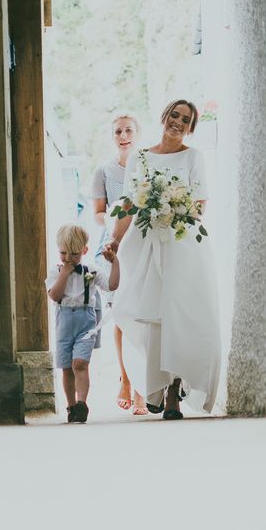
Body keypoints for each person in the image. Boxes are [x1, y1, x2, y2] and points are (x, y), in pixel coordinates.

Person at [109, 100, 220, 420]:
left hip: (184, 245)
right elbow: (129, 204)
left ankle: (174, 392)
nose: (178, 122)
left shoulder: (193, 157)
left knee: (179, 315)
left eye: (186, 120)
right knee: (152, 316)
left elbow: (199, 206)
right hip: (147, 245)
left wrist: (173, 208)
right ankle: (155, 385)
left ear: (191, 128)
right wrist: (114, 241)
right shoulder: (140, 158)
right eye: (175, 115)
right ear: (164, 117)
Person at [91, 114, 149, 416]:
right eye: (117, 131)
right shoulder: (103, 170)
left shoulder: (148, 164)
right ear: (112, 136)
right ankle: (125, 379)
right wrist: (115, 218)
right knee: (120, 312)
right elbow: (98, 213)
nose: (123, 135)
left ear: (137, 133)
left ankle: (142, 389)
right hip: (115, 247)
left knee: (143, 314)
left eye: (128, 130)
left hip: (142, 245)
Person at [45, 224, 119, 423]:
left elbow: (112, 285)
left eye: (74, 254)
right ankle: (71, 407)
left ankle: (82, 403)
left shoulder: (91, 270)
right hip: (64, 321)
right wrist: (64, 274)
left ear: (85, 251)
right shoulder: (56, 270)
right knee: (67, 368)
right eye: (63, 252)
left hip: (86, 321)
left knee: (80, 363)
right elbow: (55, 295)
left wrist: (114, 263)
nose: (68, 258)